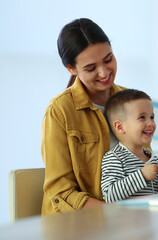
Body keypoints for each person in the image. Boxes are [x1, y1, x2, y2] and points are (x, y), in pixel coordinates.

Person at [41, 18, 130, 214]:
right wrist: (115, 213)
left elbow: (143, 164)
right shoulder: (60, 111)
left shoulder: (130, 101)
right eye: (91, 68)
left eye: (108, 59)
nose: (104, 72)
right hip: (76, 224)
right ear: (71, 69)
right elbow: (61, 192)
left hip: (125, 219)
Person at [101, 89, 158, 202]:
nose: (151, 123)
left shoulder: (154, 160)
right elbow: (110, 196)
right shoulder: (114, 158)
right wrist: (142, 176)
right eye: (142, 117)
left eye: (152, 117)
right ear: (120, 127)